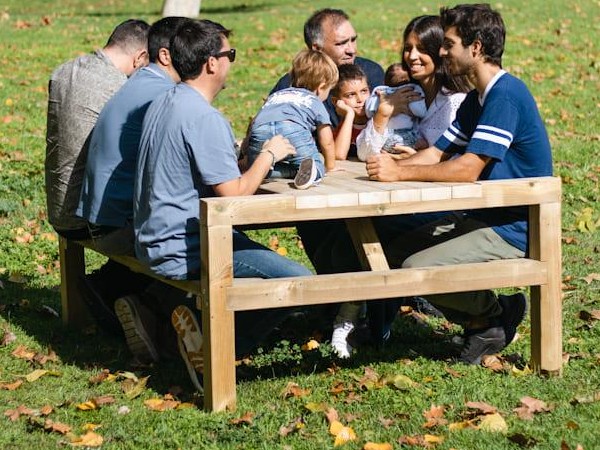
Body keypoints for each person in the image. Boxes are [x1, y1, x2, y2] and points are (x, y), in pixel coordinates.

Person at [365, 4, 553, 365]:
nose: (442, 51)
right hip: (484, 217)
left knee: (412, 270)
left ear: (476, 48)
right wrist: (388, 166)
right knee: (390, 250)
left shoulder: (506, 95)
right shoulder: (475, 99)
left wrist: (399, 173)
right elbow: (436, 154)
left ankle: (493, 314)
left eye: (448, 44)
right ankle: (484, 320)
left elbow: (467, 168)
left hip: (514, 228)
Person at [133, 19, 314, 391]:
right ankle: (213, 350)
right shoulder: (202, 117)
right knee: (298, 279)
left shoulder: (166, 101)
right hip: (185, 247)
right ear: (212, 63)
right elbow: (233, 198)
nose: (232, 61)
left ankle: (168, 322)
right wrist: (269, 154)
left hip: (150, 236)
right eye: (230, 54)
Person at [305, 15, 472, 359]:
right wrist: (382, 116)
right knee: (352, 234)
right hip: (408, 194)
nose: (412, 56)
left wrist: (416, 161)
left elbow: (451, 163)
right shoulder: (406, 94)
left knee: (365, 237)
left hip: (446, 204)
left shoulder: (452, 102)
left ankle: (357, 320)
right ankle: (364, 320)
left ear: (441, 52)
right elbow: (369, 151)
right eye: (408, 48)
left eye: (422, 49)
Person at [76, 16, 192, 363]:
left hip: (99, 217)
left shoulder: (140, 81)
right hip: (121, 227)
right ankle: (156, 310)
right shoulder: (164, 95)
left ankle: (113, 288)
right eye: (190, 51)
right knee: (217, 242)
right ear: (167, 56)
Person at [45, 19, 150, 336]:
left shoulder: (64, 70)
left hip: (58, 206)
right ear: (141, 58)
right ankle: (117, 291)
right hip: (87, 218)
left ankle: (111, 286)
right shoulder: (120, 90)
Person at [270, 8, 384, 129]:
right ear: (317, 48)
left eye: (353, 40)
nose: (352, 50)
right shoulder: (291, 86)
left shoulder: (371, 72)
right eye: (341, 43)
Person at [246, 49, 339, 189]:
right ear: (321, 87)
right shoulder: (313, 100)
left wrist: (245, 152)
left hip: (261, 129)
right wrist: (330, 166)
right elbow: (327, 142)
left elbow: (254, 121)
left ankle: (266, 171)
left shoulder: (276, 96)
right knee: (316, 166)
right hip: (292, 129)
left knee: (256, 167)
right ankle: (308, 172)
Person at [359, 63, 428, 159]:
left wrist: (378, 112)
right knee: (424, 145)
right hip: (405, 138)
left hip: (385, 139)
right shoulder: (410, 92)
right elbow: (421, 112)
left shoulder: (380, 91)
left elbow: (368, 110)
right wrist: (412, 111)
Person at [330, 64, 370, 160]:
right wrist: (349, 114)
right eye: (350, 95)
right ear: (336, 102)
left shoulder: (379, 119)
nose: (360, 99)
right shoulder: (343, 129)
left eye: (364, 91)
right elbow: (339, 155)